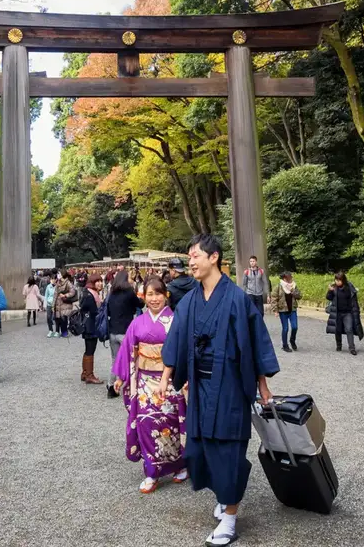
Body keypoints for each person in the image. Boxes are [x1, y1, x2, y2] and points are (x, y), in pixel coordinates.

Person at [162, 234, 279, 547]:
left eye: (195, 256)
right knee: (198, 451)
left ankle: (229, 518)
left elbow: (255, 342)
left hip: (228, 384)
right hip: (200, 386)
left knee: (228, 450)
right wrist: (167, 375)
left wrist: (263, 385)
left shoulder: (237, 299)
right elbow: (176, 338)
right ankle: (225, 495)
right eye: (189, 258)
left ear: (213, 257)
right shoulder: (189, 300)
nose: (191, 263)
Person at [112, 277, 189, 493]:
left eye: (158, 294)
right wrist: (121, 377)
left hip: (170, 381)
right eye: (150, 294)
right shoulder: (138, 322)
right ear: (143, 297)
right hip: (145, 382)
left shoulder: (175, 321)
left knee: (172, 424)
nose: (154, 299)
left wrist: (186, 378)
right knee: (146, 424)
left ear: (166, 295)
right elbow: (128, 350)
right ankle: (151, 472)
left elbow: (183, 352)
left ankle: (180, 465)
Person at [106, 270, 144, 399]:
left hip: (112, 331)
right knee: (130, 360)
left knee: (115, 359)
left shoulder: (111, 293)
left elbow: (109, 311)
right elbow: (139, 304)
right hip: (125, 331)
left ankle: (111, 386)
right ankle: (130, 386)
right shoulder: (129, 293)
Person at [326, 272, 364, 356]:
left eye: (339, 280)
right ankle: (339, 345)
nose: (337, 282)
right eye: (336, 280)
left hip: (347, 312)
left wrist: (356, 311)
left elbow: (353, 299)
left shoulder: (349, 287)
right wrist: (330, 291)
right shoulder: (333, 287)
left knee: (349, 329)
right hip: (337, 312)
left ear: (343, 280)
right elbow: (328, 298)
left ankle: (352, 348)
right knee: (337, 329)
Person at [78, 274, 104, 385]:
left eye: (100, 281)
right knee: (90, 350)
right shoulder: (90, 295)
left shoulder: (87, 292)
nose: (100, 283)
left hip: (88, 325)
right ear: (92, 283)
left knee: (88, 349)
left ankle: (84, 372)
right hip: (90, 326)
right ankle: (89, 375)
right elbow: (94, 311)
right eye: (97, 281)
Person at [271, 272, 302, 353]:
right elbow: (274, 299)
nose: (291, 279)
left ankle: (292, 340)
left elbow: (299, 296)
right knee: (285, 328)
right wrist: (275, 310)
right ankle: (285, 345)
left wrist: (293, 292)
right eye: (289, 278)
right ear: (284, 278)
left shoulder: (294, 286)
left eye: (291, 278)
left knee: (295, 327)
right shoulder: (278, 286)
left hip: (293, 310)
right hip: (282, 311)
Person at [54, 269, 77, 338]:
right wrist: (53, 305)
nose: (58, 275)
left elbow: (73, 292)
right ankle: (63, 331)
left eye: (59, 274)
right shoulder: (58, 283)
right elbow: (55, 294)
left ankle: (65, 332)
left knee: (64, 318)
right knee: (60, 319)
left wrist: (65, 295)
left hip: (66, 303)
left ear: (62, 274)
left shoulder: (68, 282)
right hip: (59, 303)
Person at [44, 273, 57, 337]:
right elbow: (46, 296)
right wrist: (44, 304)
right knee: (48, 317)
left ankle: (57, 331)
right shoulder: (48, 286)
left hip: (56, 304)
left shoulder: (57, 286)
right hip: (49, 304)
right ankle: (50, 330)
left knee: (56, 318)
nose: (53, 280)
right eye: (52, 279)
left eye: (54, 279)